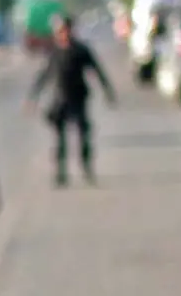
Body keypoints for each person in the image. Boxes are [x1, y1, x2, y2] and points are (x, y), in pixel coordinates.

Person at [25, 13, 117, 187]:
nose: (62, 33)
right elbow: (44, 75)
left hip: (78, 99)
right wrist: (33, 97)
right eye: (59, 30)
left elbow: (97, 71)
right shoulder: (54, 52)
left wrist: (108, 91)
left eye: (65, 29)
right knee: (59, 139)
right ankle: (61, 173)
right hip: (60, 100)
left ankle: (86, 168)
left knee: (83, 136)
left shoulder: (81, 50)